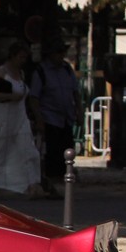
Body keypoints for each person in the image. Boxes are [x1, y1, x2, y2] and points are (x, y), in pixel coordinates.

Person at [0, 40, 42, 197]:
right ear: (13, 56)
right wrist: (10, 96)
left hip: (20, 117)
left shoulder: (21, 74)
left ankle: (32, 184)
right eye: (21, 57)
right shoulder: (2, 72)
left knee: (28, 150)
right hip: (3, 117)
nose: (23, 61)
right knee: (0, 151)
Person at [31, 39, 81, 196]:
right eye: (58, 52)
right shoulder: (41, 71)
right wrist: (39, 119)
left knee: (67, 149)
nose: (61, 56)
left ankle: (65, 180)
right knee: (52, 153)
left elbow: (75, 92)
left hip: (66, 118)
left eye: (62, 52)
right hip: (50, 118)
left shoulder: (66, 69)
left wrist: (78, 111)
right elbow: (34, 97)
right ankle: (51, 183)